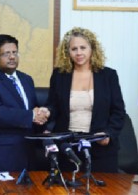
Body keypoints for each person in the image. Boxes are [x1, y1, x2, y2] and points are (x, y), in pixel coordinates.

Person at [45, 27, 126, 173]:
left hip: (100, 147)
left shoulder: (108, 75)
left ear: (92, 49)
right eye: (73, 49)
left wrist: (108, 133)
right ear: (67, 52)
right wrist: (46, 112)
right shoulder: (59, 75)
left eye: (83, 47)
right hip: (68, 147)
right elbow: (53, 105)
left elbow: (118, 111)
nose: (79, 53)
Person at [0, 34, 50, 172]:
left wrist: (42, 120)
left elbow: (32, 109)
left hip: (28, 153)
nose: (12, 57)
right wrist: (31, 116)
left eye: (14, 52)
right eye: (6, 53)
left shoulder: (27, 79)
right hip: (2, 156)